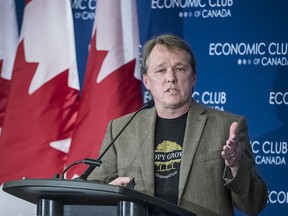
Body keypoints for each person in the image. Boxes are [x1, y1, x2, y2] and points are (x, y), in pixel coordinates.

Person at [87, 34, 268, 216]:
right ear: (147, 81)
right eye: (161, 70)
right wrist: (110, 192)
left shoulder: (226, 126)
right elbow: (92, 190)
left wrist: (236, 165)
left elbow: (254, 204)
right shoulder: (121, 129)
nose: (171, 78)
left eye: (179, 69)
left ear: (194, 77)